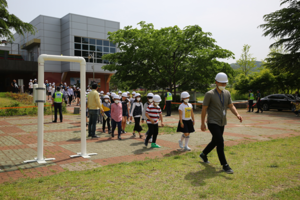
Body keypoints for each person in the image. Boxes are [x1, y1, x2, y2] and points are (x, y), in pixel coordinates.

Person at [199, 72, 243, 174]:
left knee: (215, 141)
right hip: (212, 122)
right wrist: (202, 123)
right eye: (221, 83)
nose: (223, 85)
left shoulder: (227, 93)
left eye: (225, 83)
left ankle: (203, 154)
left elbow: (231, 106)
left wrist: (237, 114)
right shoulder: (209, 94)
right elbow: (204, 109)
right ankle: (225, 165)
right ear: (216, 82)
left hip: (222, 121)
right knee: (220, 142)